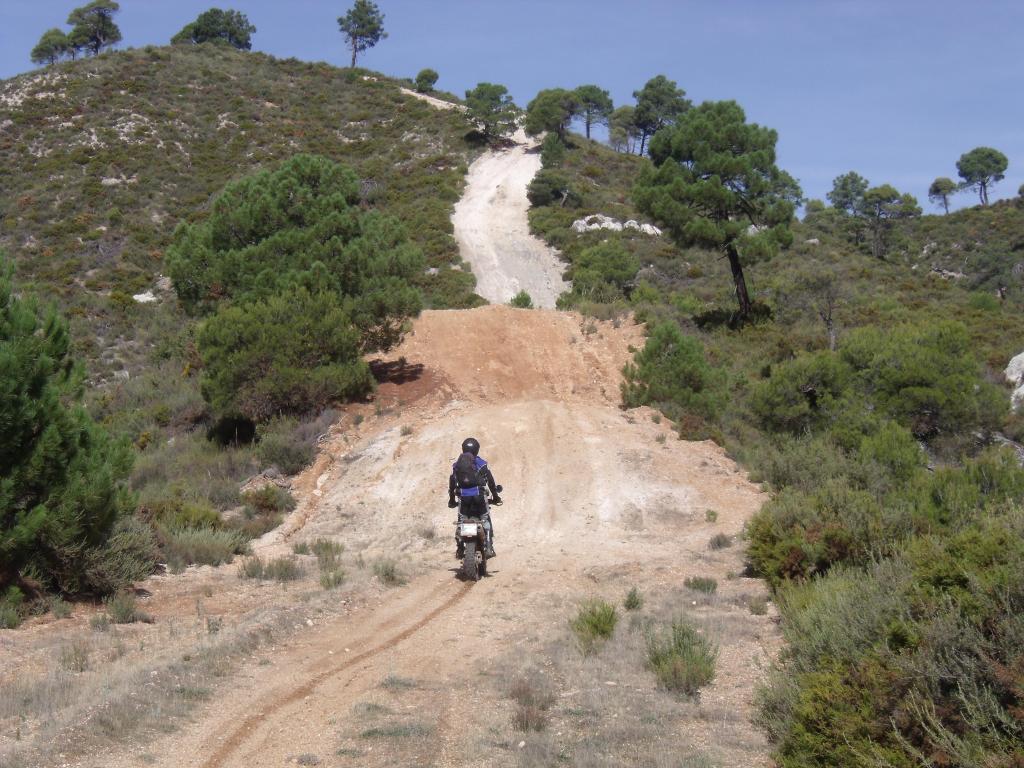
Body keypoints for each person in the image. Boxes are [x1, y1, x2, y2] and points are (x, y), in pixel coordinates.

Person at [448, 437, 501, 558]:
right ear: (477, 449)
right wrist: (496, 496)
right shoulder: (480, 463)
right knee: (485, 518)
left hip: (463, 499)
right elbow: (490, 482)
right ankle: (488, 546)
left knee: (462, 520)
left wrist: (452, 499)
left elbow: (452, 483)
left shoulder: (457, 465)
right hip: (479, 497)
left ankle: (460, 547)